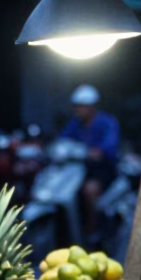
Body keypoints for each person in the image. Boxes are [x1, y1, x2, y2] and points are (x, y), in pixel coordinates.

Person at [58, 84, 120, 243]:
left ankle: (92, 231)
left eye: (82, 106)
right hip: (78, 170)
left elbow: (109, 146)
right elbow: (63, 140)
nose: (79, 110)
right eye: (77, 106)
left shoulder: (106, 122)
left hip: (102, 169)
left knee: (89, 191)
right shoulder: (74, 124)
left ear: (92, 107)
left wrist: (97, 152)